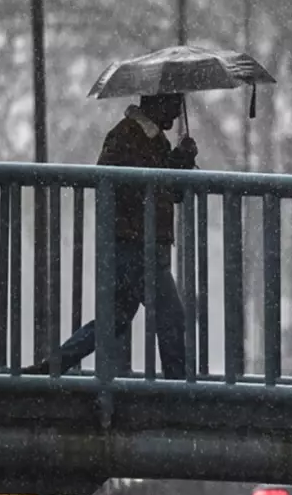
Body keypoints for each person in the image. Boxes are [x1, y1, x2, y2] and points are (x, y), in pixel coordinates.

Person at [24, 93, 197, 378]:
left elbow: (171, 191)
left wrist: (182, 161)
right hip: (137, 246)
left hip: (136, 244)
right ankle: (178, 393)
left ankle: (53, 366)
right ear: (156, 102)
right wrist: (169, 169)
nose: (177, 114)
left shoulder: (152, 139)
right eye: (174, 105)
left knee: (112, 321)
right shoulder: (127, 135)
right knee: (171, 318)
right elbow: (130, 187)